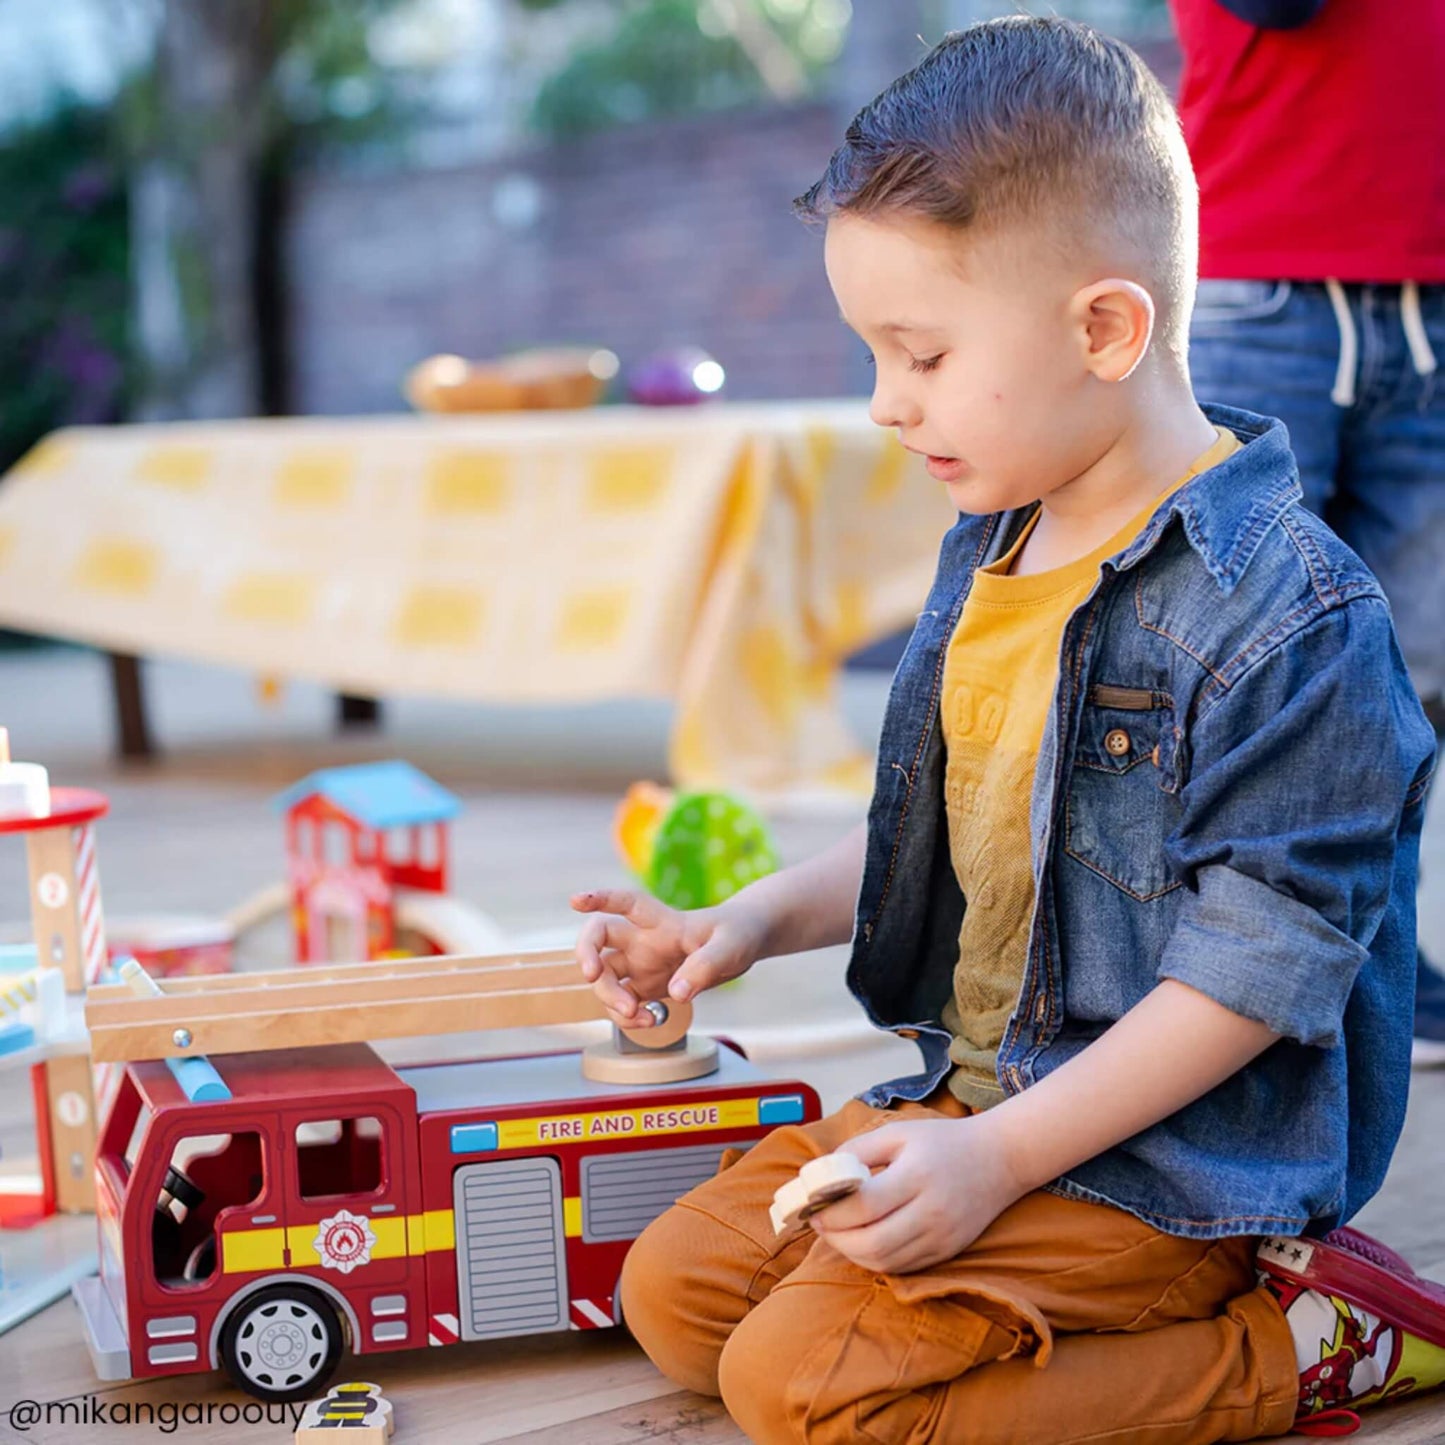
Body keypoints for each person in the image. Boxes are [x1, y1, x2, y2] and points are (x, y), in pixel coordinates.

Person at [572, 19, 1445, 1442]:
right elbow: (962, 842)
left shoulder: (1291, 618)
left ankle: (1300, 1344)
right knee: (675, 1302)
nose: (882, 401)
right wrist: (738, 922)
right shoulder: (993, 546)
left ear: (1104, 328)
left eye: (918, 352)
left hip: (1168, 1164)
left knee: (796, 1391)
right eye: (874, 351)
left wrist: (994, 1163)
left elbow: (1251, 974)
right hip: (978, 1095)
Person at [1169, 0, 1445, 1068]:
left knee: (1412, 672)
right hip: (1258, 288)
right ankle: (1197, 965)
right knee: (1231, 651)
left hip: (1429, 293)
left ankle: (1365, 954)